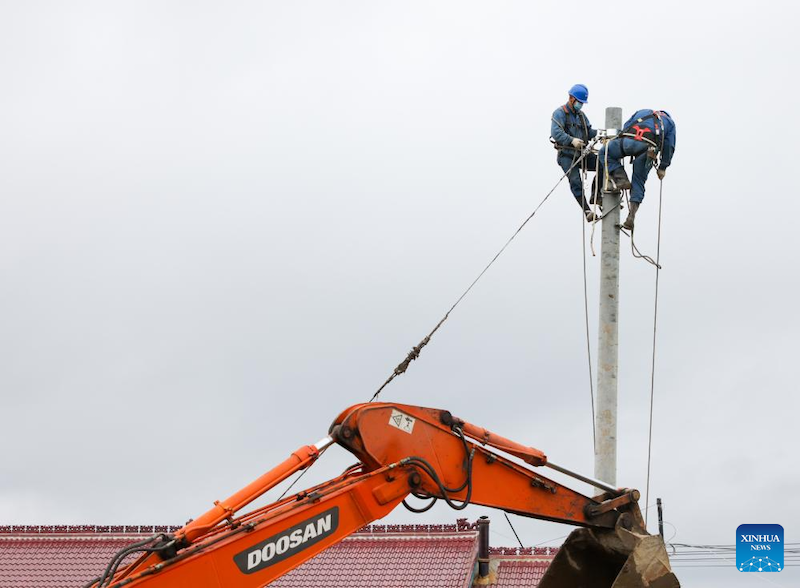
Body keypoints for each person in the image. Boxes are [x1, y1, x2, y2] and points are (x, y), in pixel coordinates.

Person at [598, 109, 676, 230]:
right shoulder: (669, 123)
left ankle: (620, 177)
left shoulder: (642, 112)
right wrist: (662, 167)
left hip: (627, 142)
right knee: (638, 180)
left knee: (604, 152)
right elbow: (669, 146)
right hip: (647, 149)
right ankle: (631, 217)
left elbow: (626, 127)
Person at [550, 84, 598, 222]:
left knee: (602, 164)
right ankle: (587, 210)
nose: (580, 105)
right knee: (576, 181)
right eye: (579, 102)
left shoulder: (581, 116)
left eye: (582, 103)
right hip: (566, 155)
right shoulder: (560, 113)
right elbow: (556, 132)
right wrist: (571, 140)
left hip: (582, 153)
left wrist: (602, 134)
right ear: (571, 98)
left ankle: (597, 195)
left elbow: (588, 132)